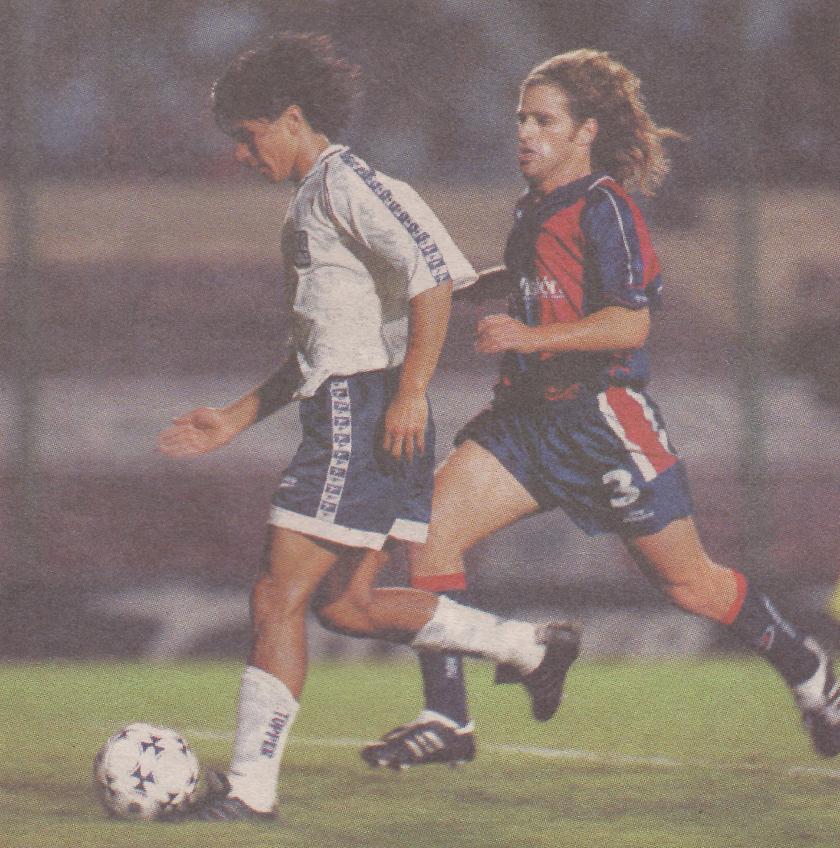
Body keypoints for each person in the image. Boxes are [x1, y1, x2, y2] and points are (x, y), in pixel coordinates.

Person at [341, 48, 840, 770]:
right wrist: (464, 290)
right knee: (428, 536)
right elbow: (535, 277)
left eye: (544, 120)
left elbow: (629, 323)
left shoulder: (606, 207)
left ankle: (811, 673)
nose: (525, 132)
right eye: (521, 118)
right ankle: (448, 720)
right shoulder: (535, 205)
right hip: (525, 423)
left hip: (601, 424)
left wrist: (529, 336)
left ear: (586, 132)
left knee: (691, 586)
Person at [159, 32, 580, 822]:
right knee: (346, 606)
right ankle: (528, 647)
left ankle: (249, 793)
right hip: (362, 410)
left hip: (363, 414)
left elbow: (433, 284)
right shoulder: (321, 200)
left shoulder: (345, 185)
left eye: (248, 136)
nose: (243, 155)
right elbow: (338, 337)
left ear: (291, 117)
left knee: (275, 596)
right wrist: (237, 416)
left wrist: (411, 392)